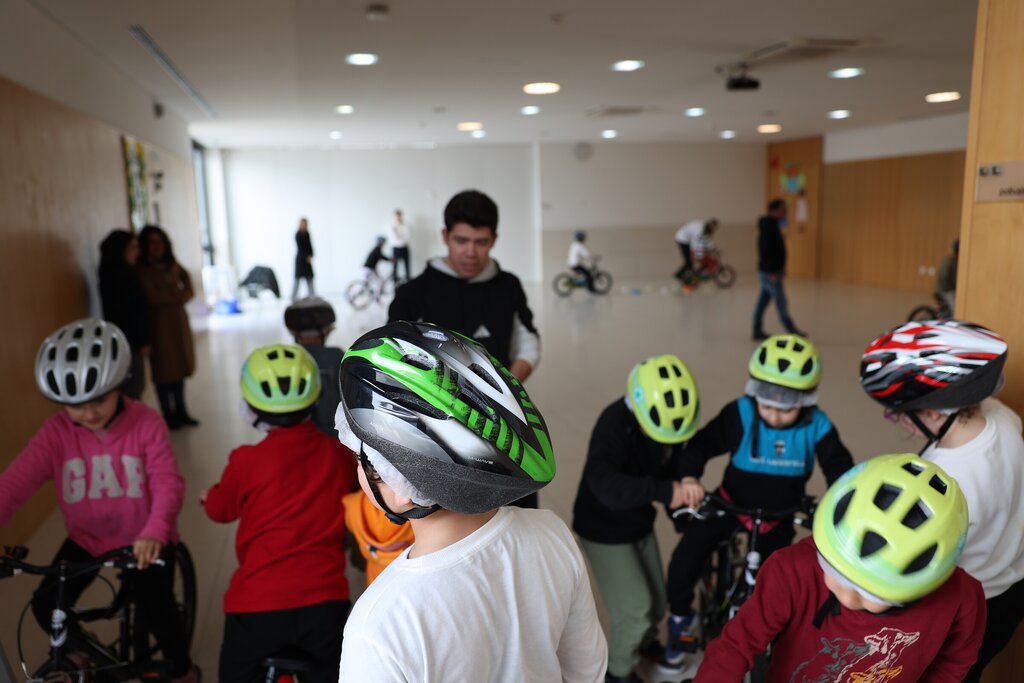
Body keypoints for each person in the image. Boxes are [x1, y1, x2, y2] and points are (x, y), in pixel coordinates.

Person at [335, 321, 607, 682]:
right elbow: (586, 671)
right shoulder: (553, 534)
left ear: (400, 489)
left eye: (360, 457)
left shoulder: (381, 624)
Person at [0, 319, 197, 682]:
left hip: (145, 538)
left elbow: (168, 482)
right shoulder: (55, 433)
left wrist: (156, 529)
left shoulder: (146, 423)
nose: (89, 413)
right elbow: (15, 483)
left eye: (99, 401)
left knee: (159, 611)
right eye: (75, 406)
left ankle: (184, 670)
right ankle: (83, 653)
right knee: (47, 605)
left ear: (119, 384)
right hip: (86, 539)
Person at [693, 453, 986, 682]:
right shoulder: (791, 569)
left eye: (870, 595)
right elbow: (736, 645)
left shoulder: (963, 599)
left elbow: (954, 663)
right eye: (834, 573)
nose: (847, 598)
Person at [662, 334, 853, 670]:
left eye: (787, 409)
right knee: (686, 558)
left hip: (779, 516)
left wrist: (840, 503)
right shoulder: (741, 413)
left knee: (773, 585)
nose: (776, 417)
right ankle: (679, 616)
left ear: (807, 400)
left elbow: (840, 468)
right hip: (729, 503)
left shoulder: (817, 425)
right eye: (767, 406)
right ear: (754, 394)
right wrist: (690, 476)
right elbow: (701, 445)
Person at [860, 319, 1024, 682]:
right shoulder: (1003, 417)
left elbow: (913, 567)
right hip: (1011, 589)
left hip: (968, 610)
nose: (900, 423)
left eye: (900, 414)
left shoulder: (944, 483)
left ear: (933, 412)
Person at [202, 344, 357, 683]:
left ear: (250, 408)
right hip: (325, 601)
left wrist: (208, 497)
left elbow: (220, 510)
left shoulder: (245, 460)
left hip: (256, 605)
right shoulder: (337, 454)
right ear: (316, 401)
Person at [388, 189, 541, 504]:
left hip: (506, 425)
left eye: (481, 242)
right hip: (439, 432)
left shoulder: (508, 286)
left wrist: (503, 391)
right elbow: (394, 359)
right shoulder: (413, 294)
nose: (471, 252)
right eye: (461, 240)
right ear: (445, 236)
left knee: (517, 509)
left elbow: (528, 341)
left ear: (494, 240)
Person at [572, 355, 701, 683]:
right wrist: (663, 490)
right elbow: (605, 485)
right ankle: (615, 672)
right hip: (602, 528)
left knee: (658, 603)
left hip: (637, 522)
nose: (665, 445)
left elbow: (674, 467)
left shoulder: (669, 427)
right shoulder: (613, 424)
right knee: (636, 612)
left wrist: (683, 505)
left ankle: (644, 645)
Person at [137, 225, 199, 429]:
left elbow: (186, 278)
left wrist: (186, 294)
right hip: (159, 327)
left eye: (160, 242)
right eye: (152, 243)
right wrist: (177, 296)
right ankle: (168, 413)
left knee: (180, 368)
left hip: (178, 324)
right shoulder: (143, 270)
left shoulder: (171, 265)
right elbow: (152, 297)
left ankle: (181, 410)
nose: (157, 247)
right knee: (164, 372)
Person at [98, 229, 150, 399]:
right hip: (128, 341)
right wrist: (142, 340)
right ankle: (131, 425)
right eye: (133, 247)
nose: (138, 252)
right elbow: (129, 313)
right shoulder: (119, 278)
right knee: (134, 386)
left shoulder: (116, 274)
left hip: (124, 340)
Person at [284, 297, 344, 438]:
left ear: (292, 331)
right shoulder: (336, 357)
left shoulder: (287, 358)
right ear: (328, 330)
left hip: (295, 437)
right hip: (334, 439)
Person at [752, 199, 804, 340]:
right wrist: (773, 271)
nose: (785, 213)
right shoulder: (768, 226)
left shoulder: (772, 225)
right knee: (781, 301)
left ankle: (756, 330)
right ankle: (792, 330)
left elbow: (777, 250)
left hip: (773, 271)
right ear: (773, 210)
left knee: (763, 302)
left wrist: (781, 268)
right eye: (782, 209)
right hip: (770, 272)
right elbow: (765, 250)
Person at [673, 218, 718, 283]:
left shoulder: (703, 227)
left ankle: (684, 276)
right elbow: (695, 243)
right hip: (682, 239)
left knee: (691, 261)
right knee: (689, 261)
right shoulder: (699, 230)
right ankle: (679, 276)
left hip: (686, 239)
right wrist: (694, 254)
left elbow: (705, 243)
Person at [292, 217, 315, 300]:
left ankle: (313, 297)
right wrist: (307, 256)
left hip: (307, 261)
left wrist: (312, 254)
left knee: (310, 279)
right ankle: (293, 298)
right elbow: (300, 248)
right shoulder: (297, 234)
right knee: (297, 280)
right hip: (301, 260)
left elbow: (310, 246)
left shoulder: (307, 234)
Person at [934, 238, 959, 313]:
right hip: (945, 290)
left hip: (938, 289)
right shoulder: (953, 262)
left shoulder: (947, 259)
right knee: (955, 309)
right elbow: (953, 278)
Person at [387, 209, 411, 284]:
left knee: (407, 267)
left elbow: (408, 236)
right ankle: (395, 283)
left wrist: (401, 239)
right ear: (394, 217)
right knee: (395, 267)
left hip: (405, 247)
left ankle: (408, 282)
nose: (398, 218)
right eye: (396, 216)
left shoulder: (406, 225)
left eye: (399, 216)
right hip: (396, 248)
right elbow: (394, 237)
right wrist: (401, 238)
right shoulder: (391, 225)